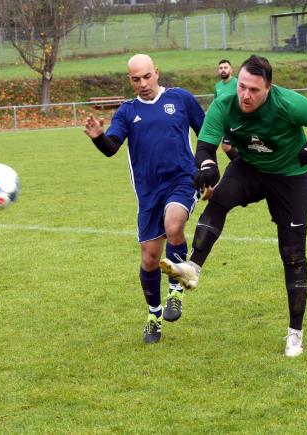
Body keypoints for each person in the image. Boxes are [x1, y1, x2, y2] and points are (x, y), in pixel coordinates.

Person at [159, 54, 307, 357]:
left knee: (292, 254)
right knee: (218, 199)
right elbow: (206, 145)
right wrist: (206, 165)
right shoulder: (225, 101)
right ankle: (193, 267)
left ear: (268, 88)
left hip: (291, 176)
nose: (245, 94)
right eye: (242, 86)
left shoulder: (287, 102)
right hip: (251, 169)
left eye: (254, 90)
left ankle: (295, 332)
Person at [84, 54, 205, 344]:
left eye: (147, 76)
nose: (143, 83)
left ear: (157, 73)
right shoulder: (127, 112)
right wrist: (99, 137)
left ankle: (176, 290)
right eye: (136, 79)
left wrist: (206, 172)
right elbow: (112, 147)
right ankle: (154, 315)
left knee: (174, 223)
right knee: (150, 258)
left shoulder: (181, 99)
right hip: (148, 192)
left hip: (182, 180)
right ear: (130, 80)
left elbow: (207, 133)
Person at [213, 59, 239, 160]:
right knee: (237, 148)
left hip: (236, 122)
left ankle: (240, 166)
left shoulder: (237, 83)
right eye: (221, 68)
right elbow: (216, 104)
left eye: (225, 67)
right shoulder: (218, 86)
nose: (223, 70)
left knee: (226, 146)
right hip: (225, 123)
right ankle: (244, 169)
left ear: (231, 70)